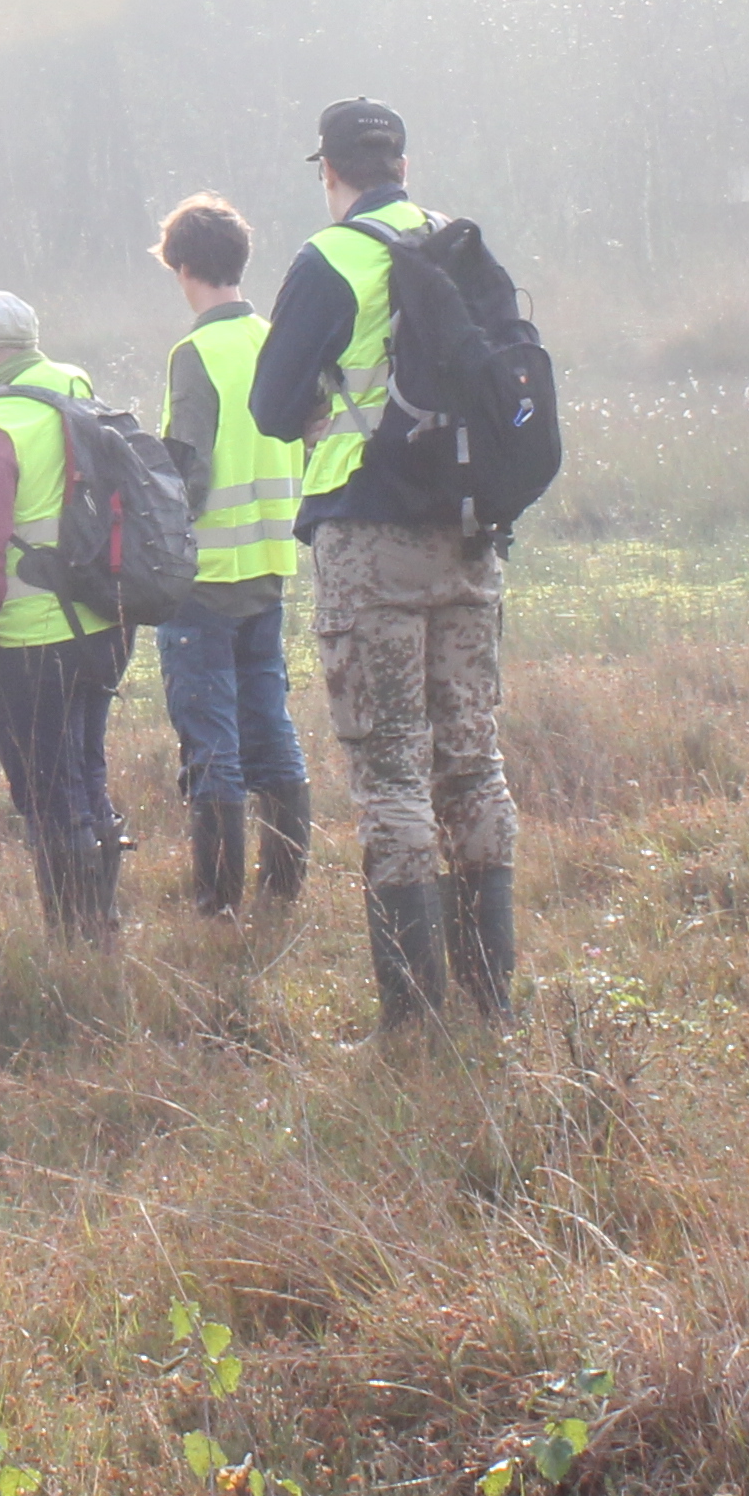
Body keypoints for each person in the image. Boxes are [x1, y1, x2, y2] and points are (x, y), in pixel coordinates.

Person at [248, 97, 514, 1027]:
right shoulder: (462, 245)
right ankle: (494, 1002)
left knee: (392, 774)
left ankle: (412, 1017)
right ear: (404, 162)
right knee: (473, 765)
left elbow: (271, 407)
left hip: (369, 544)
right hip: (473, 538)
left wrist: (326, 404)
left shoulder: (331, 260)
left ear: (331, 173)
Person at [0, 288, 131, 943]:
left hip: (29, 647)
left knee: (49, 796)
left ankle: (75, 950)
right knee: (86, 772)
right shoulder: (77, 388)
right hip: (103, 628)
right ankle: (103, 927)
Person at [149, 193, 313, 916]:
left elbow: (187, 469)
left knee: (211, 735)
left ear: (183, 268)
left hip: (205, 577)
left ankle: (216, 904)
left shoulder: (196, 353)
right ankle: (284, 887)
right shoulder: (276, 340)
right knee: (270, 723)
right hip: (271, 566)